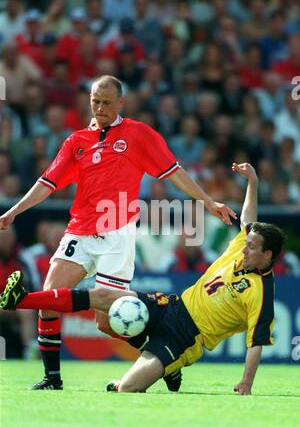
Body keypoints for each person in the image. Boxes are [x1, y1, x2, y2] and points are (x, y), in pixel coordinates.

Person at [0, 75, 236, 390]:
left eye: (107, 102)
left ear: (120, 103)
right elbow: (48, 183)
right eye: (95, 101)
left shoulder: (138, 134)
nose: (100, 107)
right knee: (49, 301)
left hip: (116, 234)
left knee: (108, 320)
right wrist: (15, 210)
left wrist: (206, 202)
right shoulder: (77, 141)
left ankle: (166, 361)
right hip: (79, 231)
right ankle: (52, 378)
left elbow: (174, 172)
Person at [0, 163, 285, 395]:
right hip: (171, 307)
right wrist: (253, 183)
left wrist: (246, 383)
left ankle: (170, 367)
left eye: (251, 246)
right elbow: (248, 217)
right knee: (104, 298)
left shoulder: (261, 291)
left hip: (186, 338)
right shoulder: (242, 248)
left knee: (126, 389)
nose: (244, 246)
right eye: (246, 242)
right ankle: (22, 299)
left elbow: (256, 342)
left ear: (267, 254)